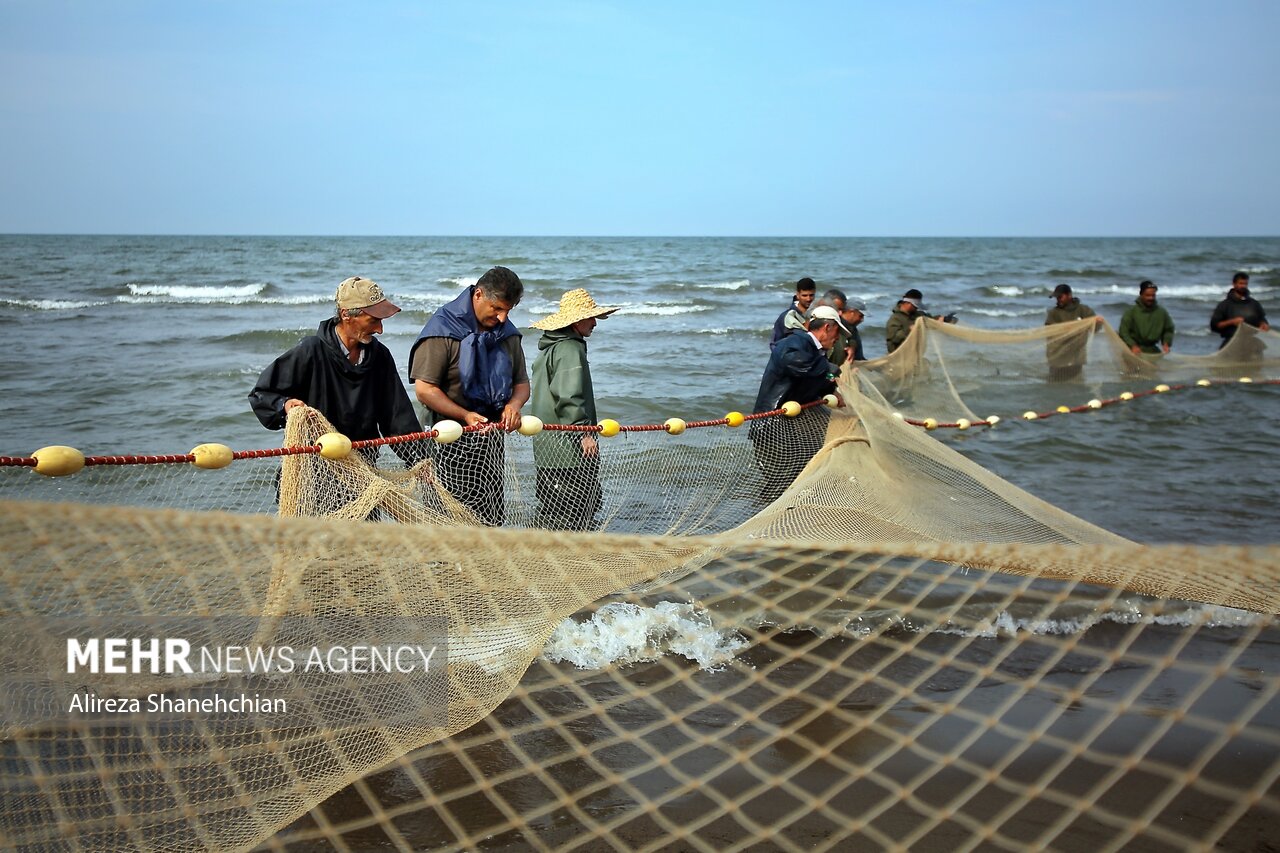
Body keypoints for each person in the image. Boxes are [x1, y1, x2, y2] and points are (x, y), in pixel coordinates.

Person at [249, 276, 424, 467]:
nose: (380, 329)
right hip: (314, 469)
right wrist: (285, 405)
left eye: (381, 321)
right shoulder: (311, 351)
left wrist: (418, 460)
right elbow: (261, 395)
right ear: (346, 315)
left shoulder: (380, 356)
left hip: (362, 469)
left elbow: (397, 416)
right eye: (373, 320)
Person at [409, 266, 530, 525]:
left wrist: (514, 405)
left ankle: (483, 563)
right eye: (497, 308)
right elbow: (425, 390)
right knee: (444, 514)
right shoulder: (442, 329)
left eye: (509, 311)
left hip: (489, 437)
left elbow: (521, 384)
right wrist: (464, 415)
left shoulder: (507, 334)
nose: (502, 318)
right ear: (478, 295)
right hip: (444, 436)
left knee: (489, 513)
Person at [528, 288, 619, 530]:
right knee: (579, 509)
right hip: (568, 451)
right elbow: (569, 396)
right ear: (576, 320)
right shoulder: (570, 349)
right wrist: (584, 433)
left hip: (548, 449)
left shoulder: (549, 349)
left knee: (552, 509)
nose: (594, 324)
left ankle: (549, 560)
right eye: (591, 318)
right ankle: (576, 563)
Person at [750, 313, 842, 501]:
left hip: (789, 424)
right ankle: (766, 519)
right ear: (827, 328)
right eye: (837, 332)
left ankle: (783, 516)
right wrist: (830, 369)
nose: (838, 339)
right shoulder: (794, 343)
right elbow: (796, 364)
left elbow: (810, 379)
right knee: (780, 478)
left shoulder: (814, 351)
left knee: (798, 470)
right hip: (770, 423)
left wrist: (831, 389)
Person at [1044, 284, 1100, 381]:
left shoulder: (1083, 310)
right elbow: (1050, 332)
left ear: (1069, 295)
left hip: (1076, 357)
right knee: (1055, 384)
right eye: (1057, 298)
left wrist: (1098, 322)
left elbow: (1094, 329)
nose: (1058, 300)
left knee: (1076, 385)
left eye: (1060, 297)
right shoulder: (1053, 313)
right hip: (1058, 356)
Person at [1210, 272, 1270, 348]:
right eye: (1241, 283)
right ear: (1234, 284)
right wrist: (1231, 322)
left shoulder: (1254, 304)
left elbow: (1262, 319)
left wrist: (1264, 324)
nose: (1243, 286)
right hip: (1231, 343)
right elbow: (1214, 325)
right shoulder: (1225, 305)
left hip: (1251, 342)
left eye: (1245, 284)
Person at [1118, 280, 1174, 355]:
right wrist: (1133, 345)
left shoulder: (1162, 312)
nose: (1150, 298)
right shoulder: (1130, 312)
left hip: (1153, 350)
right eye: (1147, 295)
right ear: (1141, 295)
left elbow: (1169, 329)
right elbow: (1123, 332)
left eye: (1153, 295)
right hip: (1132, 350)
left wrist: (1166, 343)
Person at [770, 277, 817, 349]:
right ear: (797, 295)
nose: (808, 299)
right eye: (804, 295)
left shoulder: (816, 313)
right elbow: (774, 344)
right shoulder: (786, 317)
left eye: (811, 295)